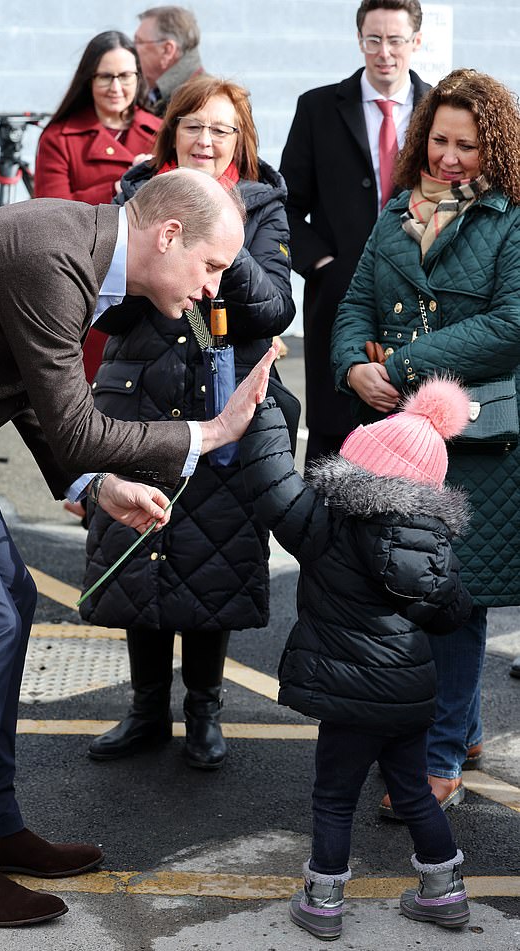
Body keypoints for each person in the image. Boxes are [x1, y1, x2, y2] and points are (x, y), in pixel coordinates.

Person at [0, 168, 279, 927]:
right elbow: (72, 424)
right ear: (168, 235)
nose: (212, 290)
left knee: (13, 599)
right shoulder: (54, 257)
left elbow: (39, 395)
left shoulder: (82, 255)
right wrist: (213, 431)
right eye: (211, 266)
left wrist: (97, 484)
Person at [81, 75, 295, 770]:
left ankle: (204, 707)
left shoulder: (262, 203)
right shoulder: (137, 194)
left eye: (222, 130)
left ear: (242, 141)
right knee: (140, 556)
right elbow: (107, 307)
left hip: (223, 407)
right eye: (193, 126)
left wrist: (217, 236)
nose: (206, 140)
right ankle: (146, 708)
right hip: (137, 399)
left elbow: (272, 311)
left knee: (214, 559)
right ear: (170, 130)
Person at [331, 69, 520, 814]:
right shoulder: (394, 214)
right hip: (398, 437)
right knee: (404, 590)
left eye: (467, 145)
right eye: (439, 140)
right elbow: (353, 305)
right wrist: (352, 364)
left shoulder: (511, 220)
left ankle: (440, 759)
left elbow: (510, 328)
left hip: (479, 442)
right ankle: (462, 727)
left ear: (494, 146)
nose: (449, 157)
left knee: (456, 601)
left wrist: (400, 366)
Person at [239, 378, 473, 941]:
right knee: (414, 792)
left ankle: (323, 899)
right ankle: (445, 893)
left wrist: (268, 411)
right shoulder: (435, 548)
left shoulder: (329, 526)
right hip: (410, 700)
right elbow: (452, 615)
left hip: (348, 697)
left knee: (335, 797)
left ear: (361, 466)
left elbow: (275, 486)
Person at [279, 0, 429, 462]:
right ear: (360, 40)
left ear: (416, 42)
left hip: (422, 293)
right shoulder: (319, 107)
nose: (385, 52)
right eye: (374, 39)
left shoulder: (439, 108)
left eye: (396, 40)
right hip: (340, 294)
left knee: (414, 434)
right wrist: (322, 265)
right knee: (333, 433)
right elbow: (285, 204)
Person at [34, 30, 161, 382]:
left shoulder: (161, 131)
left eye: (125, 76)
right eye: (105, 76)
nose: (116, 86)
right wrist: (119, 185)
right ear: (88, 79)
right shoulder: (58, 136)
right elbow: (51, 214)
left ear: (138, 77)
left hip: (148, 277)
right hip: (83, 275)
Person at [134, 6, 205, 117]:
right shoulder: (159, 95)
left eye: (139, 42)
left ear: (167, 50)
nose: (131, 50)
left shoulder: (201, 101)